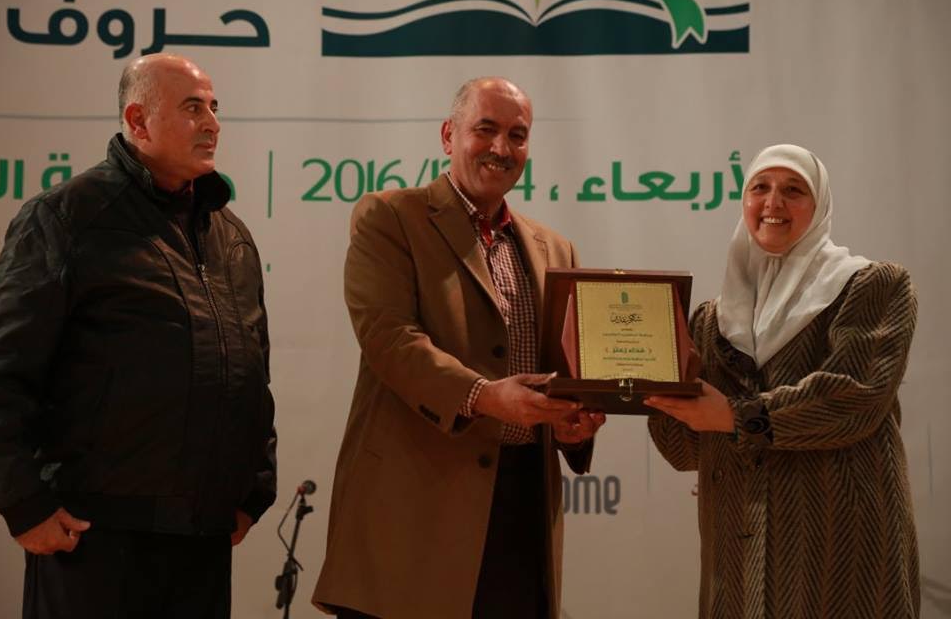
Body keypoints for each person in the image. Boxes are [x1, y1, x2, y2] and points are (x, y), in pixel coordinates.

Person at [0, 53, 277, 618]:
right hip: (92, 538)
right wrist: (23, 503)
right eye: (193, 108)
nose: (212, 123)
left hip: (202, 538)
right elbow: (2, 371)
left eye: (214, 108)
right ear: (138, 120)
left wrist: (254, 489)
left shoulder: (232, 237)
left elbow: (251, 372)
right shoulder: (66, 218)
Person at [312, 77, 606, 619]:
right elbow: (389, 338)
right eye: (485, 129)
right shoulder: (390, 217)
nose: (501, 148)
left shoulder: (556, 248)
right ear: (449, 135)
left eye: (517, 135)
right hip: (416, 510)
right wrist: (485, 397)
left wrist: (569, 424)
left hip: (522, 515)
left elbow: (563, 372)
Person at [646, 144, 919, 618]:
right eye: (760, 188)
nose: (773, 202)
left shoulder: (872, 285)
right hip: (738, 552)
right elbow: (685, 452)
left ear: (819, 205)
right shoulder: (711, 321)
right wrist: (662, 381)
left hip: (841, 543)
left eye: (793, 190)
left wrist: (736, 416)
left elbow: (855, 395)